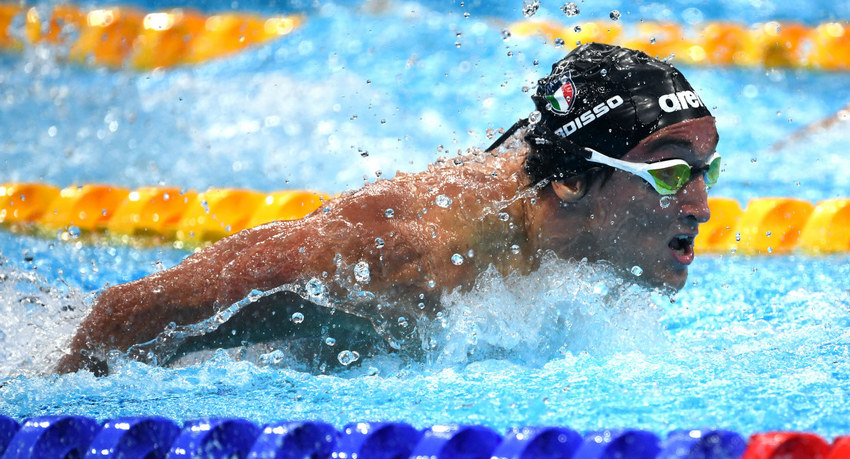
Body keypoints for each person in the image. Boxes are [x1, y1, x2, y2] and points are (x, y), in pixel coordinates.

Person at [55, 43, 720, 375]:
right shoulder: (423, 251)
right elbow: (124, 310)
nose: (701, 206)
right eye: (668, 173)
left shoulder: (573, 202)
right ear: (574, 183)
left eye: (704, 168)